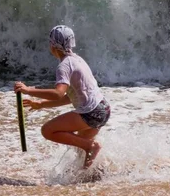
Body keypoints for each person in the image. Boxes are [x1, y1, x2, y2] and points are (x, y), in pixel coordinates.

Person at [14, 25, 111, 169]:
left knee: (47, 130)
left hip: (91, 112)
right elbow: (70, 97)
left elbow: (58, 93)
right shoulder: (78, 60)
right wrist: (41, 105)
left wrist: (27, 90)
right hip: (104, 109)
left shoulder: (64, 66)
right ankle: (95, 175)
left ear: (53, 45)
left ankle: (91, 146)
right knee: (80, 149)